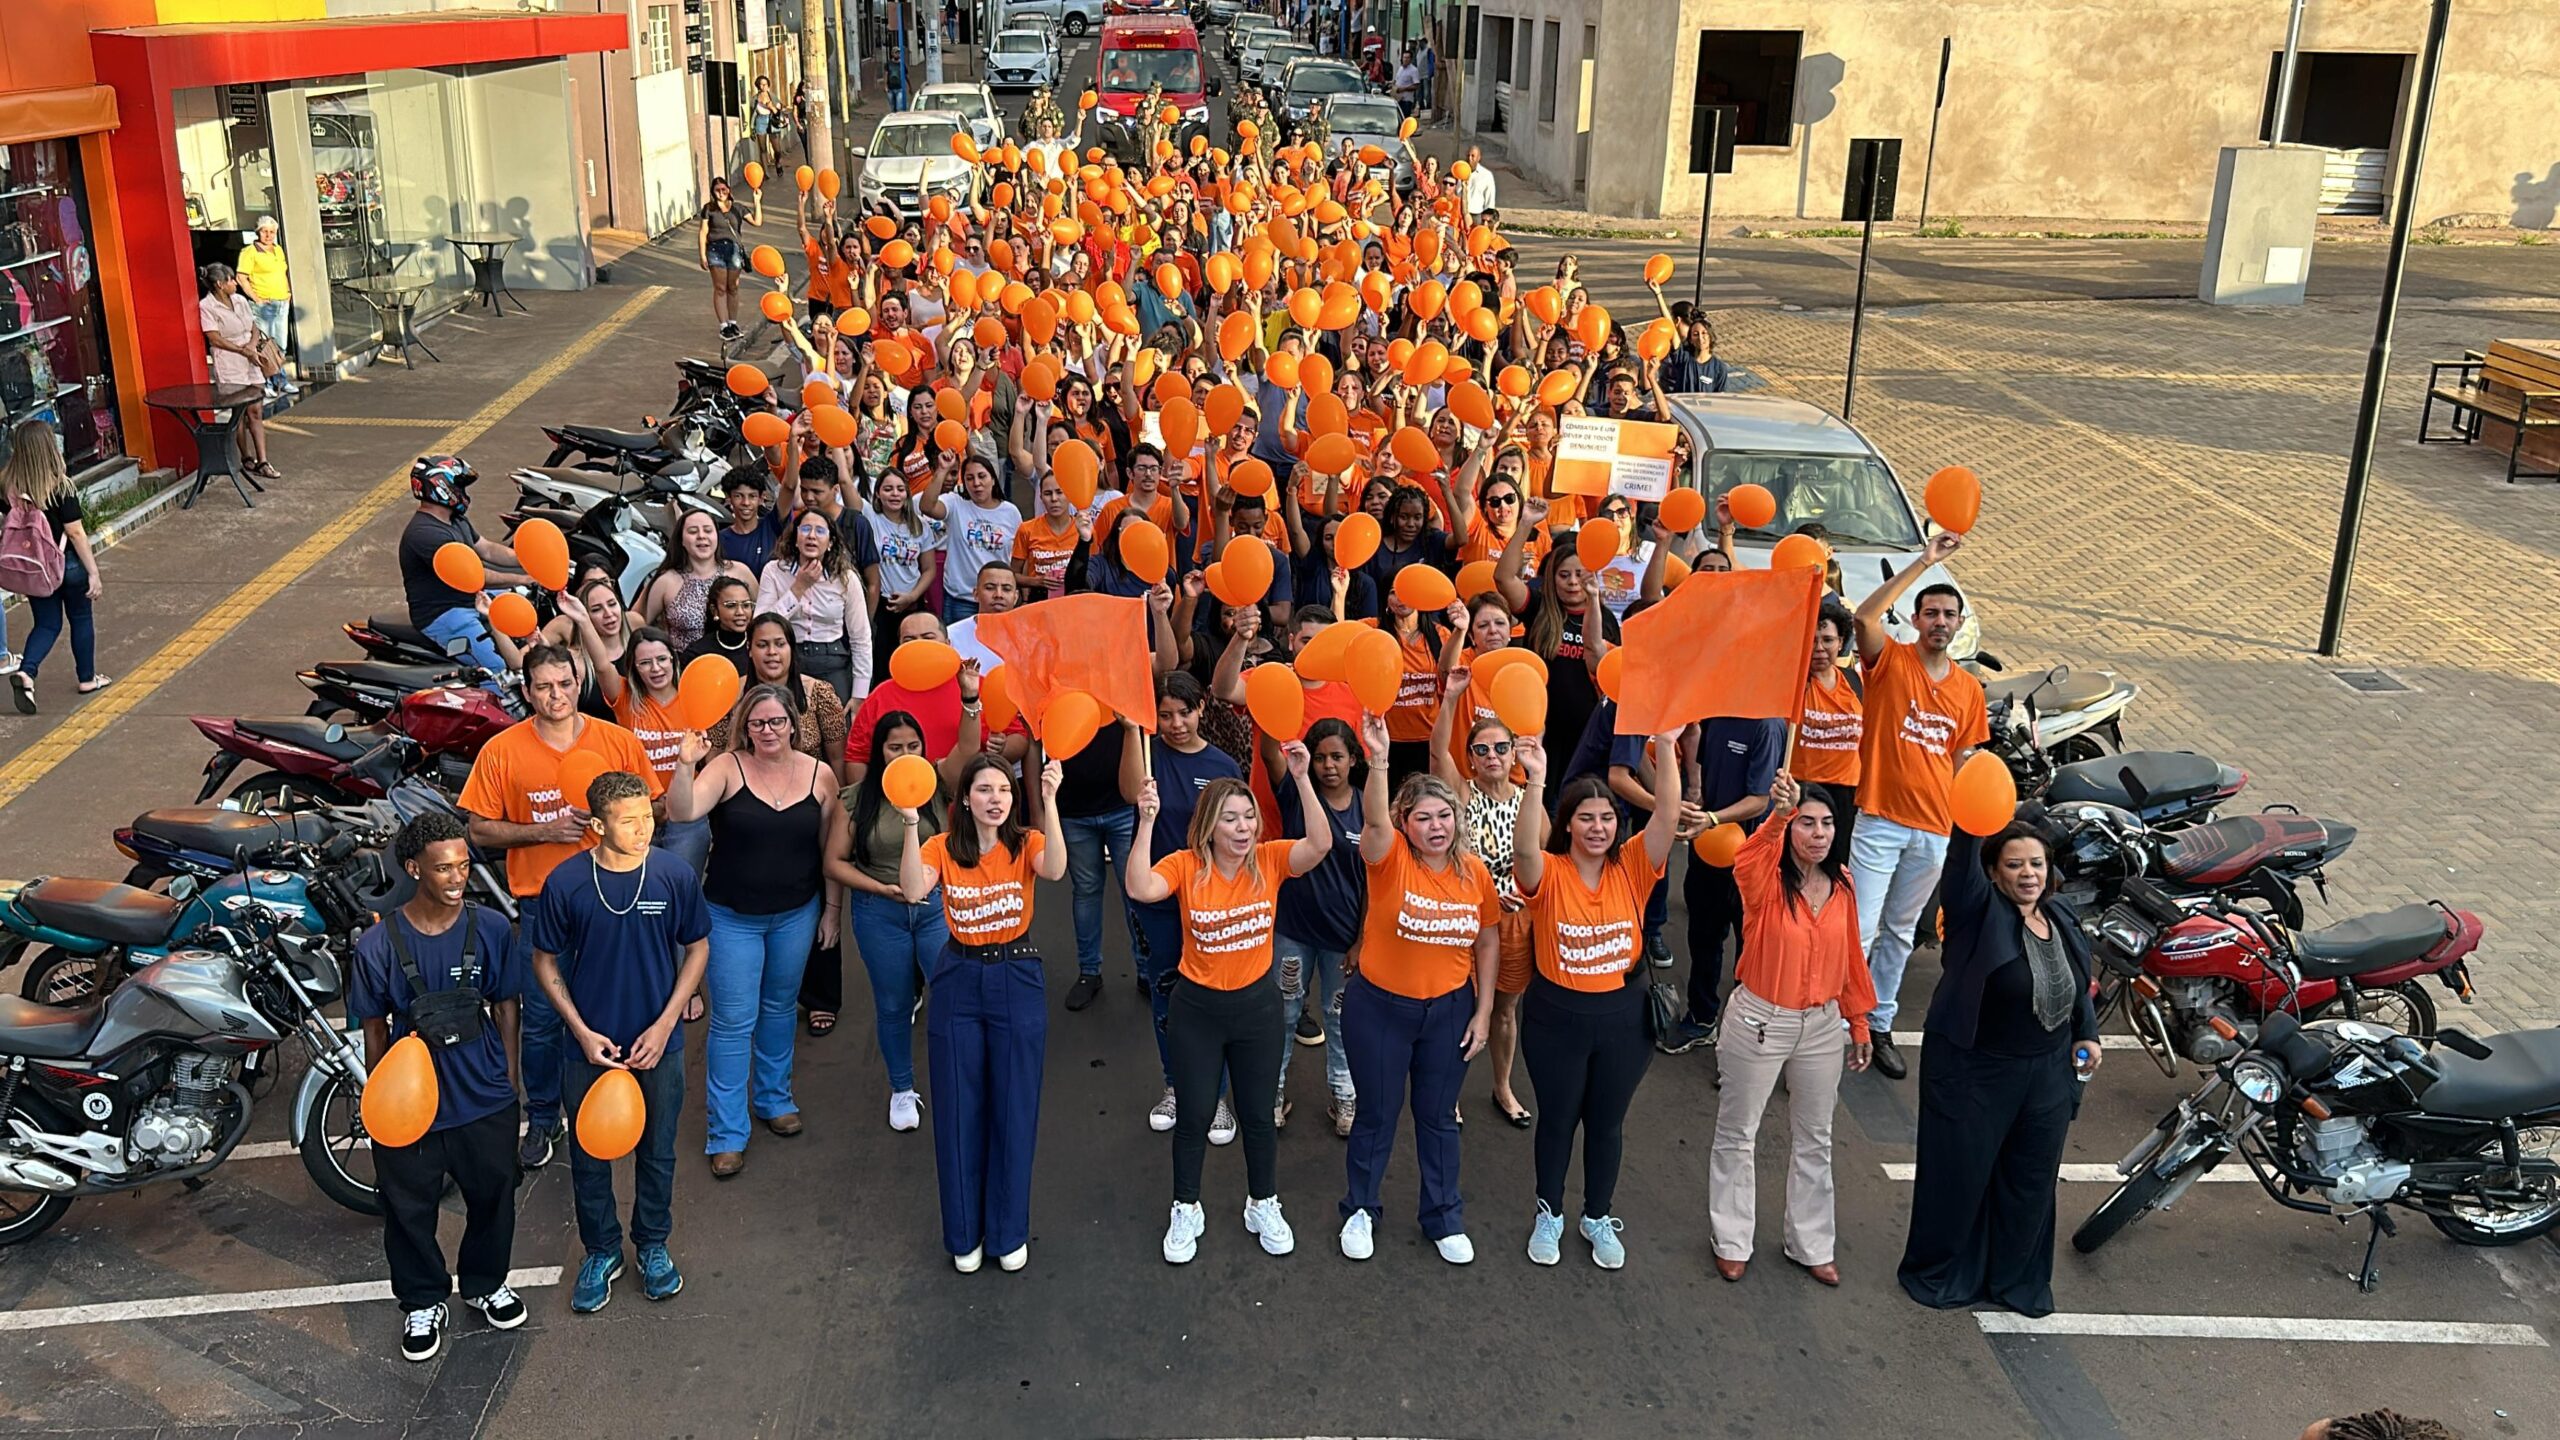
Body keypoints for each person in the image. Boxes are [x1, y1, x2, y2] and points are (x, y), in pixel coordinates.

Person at [459, 644, 660, 1170]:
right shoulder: (502, 751)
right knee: (544, 1020)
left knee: (621, 1006)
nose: (557, 696)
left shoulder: (616, 742)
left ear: (579, 684)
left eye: (565, 684)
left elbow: (652, 806)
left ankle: (620, 1102)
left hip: (615, 902)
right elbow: (477, 827)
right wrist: (542, 832)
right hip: (543, 908)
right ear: (527, 691)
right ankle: (544, 1117)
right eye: (544, 686)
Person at [1129, 749, 1331, 1264]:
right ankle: (1186, 1208)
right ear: (1208, 825)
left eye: (1249, 818)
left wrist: (1304, 780)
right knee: (1194, 1115)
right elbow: (1139, 886)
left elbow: (1320, 844)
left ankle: (1262, 1202)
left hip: (1258, 1009)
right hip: (1196, 1010)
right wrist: (1146, 821)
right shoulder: (1186, 865)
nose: (1243, 829)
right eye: (1230, 818)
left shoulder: (1268, 860)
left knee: (1259, 1115)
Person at [1898, 818, 2101, 1317]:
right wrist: (1970, 818)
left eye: (2037, 863)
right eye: (2014, 865)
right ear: (1992, 873)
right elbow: (1961, 866)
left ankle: (2015, 1280)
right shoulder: (1975, 912)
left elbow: (2078, 984)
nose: (2028, 874)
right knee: (1960, 1176)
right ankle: (1941, 1271)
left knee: (2031, 1179)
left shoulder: (2060, 916)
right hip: (1976, 1073)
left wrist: (2088, 1035)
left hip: (2047, 1073)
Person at [528, 769, 711, 1314]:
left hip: (659, 1045)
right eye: (628, 821)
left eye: (647, 817)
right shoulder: (566, 882)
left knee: (657, 1152)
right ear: (598, 826)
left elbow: (697, 949)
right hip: (588, 1049)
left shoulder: (673, 876)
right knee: (589, 1157)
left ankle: (652, 1245)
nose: (643, 828)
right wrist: (581, 1032)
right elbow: (544, 960)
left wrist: (665, 1024)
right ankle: (602, 1251)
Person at [349, 811, 528, 1361]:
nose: (458, 878)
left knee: (494, 1197)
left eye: (464, 866)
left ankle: (485, 1282)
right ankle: (423, 1299)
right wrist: (377, 1102)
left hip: (483, 1098)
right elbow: (374, 1028)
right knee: (407, 1210)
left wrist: (511, 1083)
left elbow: (507, 1006)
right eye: (444, 868)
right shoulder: (377, 946)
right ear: (413, 869)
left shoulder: (493, 929)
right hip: (411, 1107)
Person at [1510, 726, 1680, 1268]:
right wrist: (1535, 780)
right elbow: (1523, 852)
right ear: (1567, 823)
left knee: (1607, 1123)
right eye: (1586, 817)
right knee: (1557, 1121)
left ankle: (1597, 1216)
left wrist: (1669, 746)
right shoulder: (1549, 871)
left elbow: (1668, 817)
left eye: (1607, 817)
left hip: (1623, 1020)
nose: (1598, 826)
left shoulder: (1632, 866)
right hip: (1556, 1017)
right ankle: (1549, 1214)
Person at [1339, 713, 1502, 1265]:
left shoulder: (1474, 874)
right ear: (1404, 823)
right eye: (1423, 817)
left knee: (1437, 1118)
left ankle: (1442, 1217)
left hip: (1449, 1012)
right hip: (1379, 1011)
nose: (1436, 826)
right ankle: (1361, 1208)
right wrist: (1380, 759)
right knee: (1377, 1115)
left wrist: (1482, 1014)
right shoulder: (1388, 861)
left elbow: (1486, 942)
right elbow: (1373, 823)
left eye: (1444, 815)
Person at [897, 753, 1069, 1273]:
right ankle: (964, 1233)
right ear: (964, 799)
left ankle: (1008, 1230)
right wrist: (909, 823)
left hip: (1016, 973)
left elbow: (1057, 869)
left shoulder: (1027, 843)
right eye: (985, 790)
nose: (996, 799)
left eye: (1004, 791)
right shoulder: (942, 847)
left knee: (1014, 1105)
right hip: (958, 975)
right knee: (956, 1105)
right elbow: (911, 889)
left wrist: (1052, 801)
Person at [669, 684, 848, 1177]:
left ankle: (774, 1099)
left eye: (776, 722)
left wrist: (832, 911)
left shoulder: (821, 775)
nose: (767, 731)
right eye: (757, 724)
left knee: (778, 1007)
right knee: (732, 1021)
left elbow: (829, 851)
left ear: (794, 723)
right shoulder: (726, 768)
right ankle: (726, 1133)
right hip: (730, 917)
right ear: (744, 728)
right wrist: (685, 765)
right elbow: (682, 811)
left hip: (797, 911)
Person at [1708, 771, 1876, 1284]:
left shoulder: (1843, 883)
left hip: (1822, 1027)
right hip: (1761, 1019)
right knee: (1739, 1132)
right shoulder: (1764, 881)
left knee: (1815, 1137)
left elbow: (1850, 956)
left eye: (1826, 823)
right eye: (1808, 823)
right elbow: (1750, 856)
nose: (1819, 833)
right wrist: (1778, 814)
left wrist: (1859, 1021)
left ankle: (1811, 1244)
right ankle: (1731, 1238)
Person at [1851, 531, 1987, 1080]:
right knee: (1859, 929)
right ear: (1915, 617)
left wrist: (1970, 831)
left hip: (1933, 830)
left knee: (1900, 934)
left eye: (1948, 615)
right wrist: (1923, 561)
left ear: (1958, 624)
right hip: (1880, 818)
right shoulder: (1890, 662)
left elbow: (1965, 761)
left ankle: (1879, 1023)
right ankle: (1841, 1028)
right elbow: (1863, 618)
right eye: (1930, 612)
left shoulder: (1969, 691)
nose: (1939, 622)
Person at [825, 708, 968, 1129]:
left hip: (935, 907)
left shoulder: (938, 785)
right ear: (878, 750)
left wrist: (971, 701)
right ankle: (902, 1089)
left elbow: (970, 747)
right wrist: (879, 888)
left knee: (951, 995)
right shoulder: (856, 798)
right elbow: (834, 862)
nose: (905, 754)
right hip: (879, 913)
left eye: (913, 745)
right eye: (894, 747)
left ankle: (957, 1081)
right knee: (893, 1004)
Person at [1120, 672, 1246, 1139]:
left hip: (1211, 900)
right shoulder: (1147, 755)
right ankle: (1175, 1085)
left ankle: (1215, 1097)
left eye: (1183, 713)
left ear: (1201, 711)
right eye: (1165, 714)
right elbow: (1128, 790)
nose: (1174, 724)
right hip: (1158, 901)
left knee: (1215, 1000)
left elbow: (1238, 832)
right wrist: (1134, 729)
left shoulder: (1223, 764)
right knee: (1167, 996)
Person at [1430, 696, 1531, 1129]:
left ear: (1514, 753)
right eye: (1482, 749)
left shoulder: (1529, 798)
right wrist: (1451, 698)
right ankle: (1448, 1091)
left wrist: (1527, 896)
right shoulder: (1460, 792)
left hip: (1513, 923)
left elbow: (1542, 859)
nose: (1492, 756)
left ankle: (1502, 1086)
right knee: (1456, 1010)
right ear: (1470, 758)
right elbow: (1436, 752)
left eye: (1501, 748)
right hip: (1463, 918)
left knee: (1505, 1011)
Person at [1663, 715, 1781, 1052]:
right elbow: (1703, 773)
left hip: (1751, 856)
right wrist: (1696, 804)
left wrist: (1713, 818)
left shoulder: (1768, 725)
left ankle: (1742, 1038)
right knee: (1703, 936)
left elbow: (1759, 800)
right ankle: (1702, 1019)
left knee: (1750, 949)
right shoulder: (1716, 715)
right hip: (1708, 849)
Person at [1270, 716, 1364, 1136]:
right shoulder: (1296, 792)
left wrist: (1362, 940)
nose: (1328, 766)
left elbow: (1376, 883)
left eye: (1338, 757)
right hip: (1293, 931)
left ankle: (1344, 1095)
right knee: (1285, 1011)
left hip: (1343, 940)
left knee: (1340, 1018)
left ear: (1354, 760)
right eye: (1321, 757)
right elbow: (1271, 749)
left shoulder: (1369, 807)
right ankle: (1271, 1092)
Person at [2, 421, 107, 713]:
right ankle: (87, 678)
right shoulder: (60, 485)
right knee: (81, 618)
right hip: (69, 564)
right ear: (49, 447)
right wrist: (94, 573)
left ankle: (27, 672)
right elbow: (76, 533)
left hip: (34, 567)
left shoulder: (6, 485)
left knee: (47, 624)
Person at [398, 454, 529, 680]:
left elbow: (487, 549)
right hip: (446, 612)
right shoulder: (425, 534)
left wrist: (528, 560)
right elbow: (476, 576)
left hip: (472, 599)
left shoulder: (455, 519)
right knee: (500, 670)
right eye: (459, 485)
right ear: (441, 486)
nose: (464, 492)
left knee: (530, 604)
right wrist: (523, 579)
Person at [700, 613, 850, 769]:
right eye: (762, 645)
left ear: (791, 648)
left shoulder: (819, 692)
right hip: (743, 785)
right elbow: (714, 757)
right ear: (749, 649)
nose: (772, 652)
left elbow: (837, 758)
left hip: (806, 785)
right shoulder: (729, 694)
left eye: (780, 644)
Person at [756, 506, 873, 704]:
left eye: (820, 531)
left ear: (830, 542)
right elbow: (761, 626)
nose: (812, 536)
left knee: (836, 730)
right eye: (805, 529)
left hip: (832, 660)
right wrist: (798, 588)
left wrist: (860, 695)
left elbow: (861, 637)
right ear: (795, 537)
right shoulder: (774, 571)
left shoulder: (846, 578)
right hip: (788, 659)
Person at [195, 264, 280, 481]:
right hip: (230, 361)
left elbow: (253, 327)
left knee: (255, 410)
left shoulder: (241, 301)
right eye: (231, 280)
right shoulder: (207, 306)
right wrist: (242, 350)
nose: (235, 283)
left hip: (251, 358)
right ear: (219, 284)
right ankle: (246, 457)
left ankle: (263, 460)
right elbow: (214, 337)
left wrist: (251, 347)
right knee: (239, 413)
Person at [1794, 603, 1863, 864]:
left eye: (1827, 640)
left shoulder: (1855, 683)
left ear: (1841, 641)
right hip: (1803, 791)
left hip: (1847, 796)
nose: (1819, 649)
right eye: (1811, 641)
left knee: (1837, 865)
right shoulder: (1794, 684)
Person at [641, 508, 756, 655]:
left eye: (708, 531)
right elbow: (636, 621)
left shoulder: (740, 572)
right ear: (681, 540)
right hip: (686, 667)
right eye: (693, 531)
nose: (701, 536)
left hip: (738, 664)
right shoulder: (666, 581)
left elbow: (763, 614)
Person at [236, 216, 298, 397]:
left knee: (280, 346)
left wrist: (288, 292)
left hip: (281, 302)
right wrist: (256, 298)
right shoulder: (250, 252)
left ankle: (280, 380)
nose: (268, 235)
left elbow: (283, 273)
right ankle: (267, 382)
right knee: (265, 345)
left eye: (272, 232)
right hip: (264, 304)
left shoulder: (278, 250)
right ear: (258, 232)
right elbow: (241, 277)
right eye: (265, 231)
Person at [719, 472, 784, 574]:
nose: (746, 503)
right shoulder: (719, 539)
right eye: (738, 496)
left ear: (761, 498)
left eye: (752, 496)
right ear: (729, 498)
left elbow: (790, 487)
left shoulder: (771, 525)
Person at [1658, 313, 1730, 395]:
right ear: (1691, 340)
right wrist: (1660, 299)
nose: (1700, 338)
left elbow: (1720, 398)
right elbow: (1671, 327)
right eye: (1695, 334)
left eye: (1704, 333)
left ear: (1710, 336)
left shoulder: (1719, 368)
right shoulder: (1683, 359)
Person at [1461, 144, 1498, 225]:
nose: (1469, 158)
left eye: (1473, 156)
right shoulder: (1459, 172)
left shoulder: (1486, 175)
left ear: (1479, 158)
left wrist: (1487, 220)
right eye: (1468, 155)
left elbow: (1490, 199)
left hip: (1476, 216)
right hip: (1459, 214)